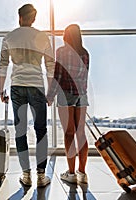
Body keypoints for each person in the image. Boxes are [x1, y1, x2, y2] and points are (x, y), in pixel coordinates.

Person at [0, 4, 55, 187]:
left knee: (20, 131)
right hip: (37, 86)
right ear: (34, 19)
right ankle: (40, 175)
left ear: (19, 17)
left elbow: (3, 65)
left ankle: (26, 175)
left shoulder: (9, 37)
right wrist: (50, 92)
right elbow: (50, 66)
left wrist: (1, 90)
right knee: (41, 131)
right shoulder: (43, 37)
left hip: (17, 86)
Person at [47, 24, 90, 184]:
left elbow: (58, 76)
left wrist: (50, 95)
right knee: (81, 133)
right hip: (82, 95)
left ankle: (71, 174)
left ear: (66, 36)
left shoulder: (62, 52)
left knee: (69, 134)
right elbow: (85, 76)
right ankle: (82, 173)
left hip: (66, 94)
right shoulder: (85, 53)